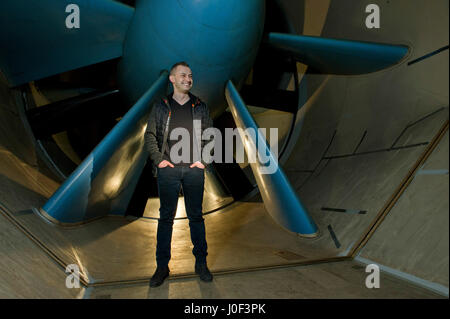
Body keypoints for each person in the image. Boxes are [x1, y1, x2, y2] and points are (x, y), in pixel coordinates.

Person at [144, 62, 214, 287]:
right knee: (166, 219)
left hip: (194, 170)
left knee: (196, 218)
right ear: (172, 79)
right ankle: (162, 267)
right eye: (183, 75)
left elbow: (210, 137)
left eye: (191, 75)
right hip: (169, 171)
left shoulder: (200, 106)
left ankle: (201, 264)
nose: (188, 78)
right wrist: (160, 161)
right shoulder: (161, 105)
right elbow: (150, 135)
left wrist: (202, 161)